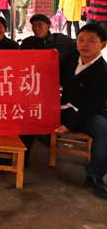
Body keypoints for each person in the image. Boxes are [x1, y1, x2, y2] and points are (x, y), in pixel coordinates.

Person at [56, 24, 107, 200]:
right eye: (81, 40)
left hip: (87, 115)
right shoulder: (71, 57)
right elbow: (51, 69)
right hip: (62, 108)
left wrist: (69, 126)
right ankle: (20, 157)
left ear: (103, 45)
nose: (85, 44)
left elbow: (92, 105)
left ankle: (95, 176)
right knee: (29, 112)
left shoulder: (103, 71)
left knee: (103, 129)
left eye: (91, 41)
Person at [20, 14, 76, 83]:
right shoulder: (27, 43)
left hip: (58, 80)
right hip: (35, 81)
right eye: (34, 25)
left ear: (48, 26)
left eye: (39, 25)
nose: (36, 28)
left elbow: (75, 52)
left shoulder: (61, 40)